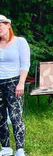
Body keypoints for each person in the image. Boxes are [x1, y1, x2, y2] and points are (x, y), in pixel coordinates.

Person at [0, 15, 30, 156]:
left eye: (1, 24)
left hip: (14, 83)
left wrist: (21, 83)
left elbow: (25, 64)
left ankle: (20, 149)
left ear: (8, 26)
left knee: (15, 116)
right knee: (0, 118)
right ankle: (6, 148)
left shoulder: (20, 42)